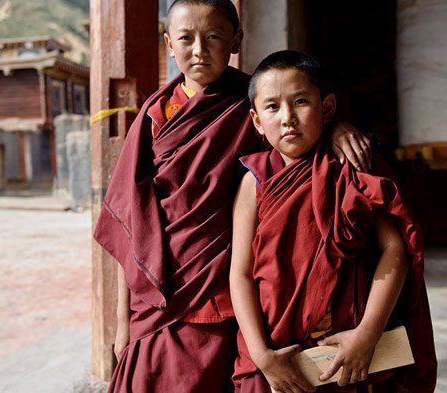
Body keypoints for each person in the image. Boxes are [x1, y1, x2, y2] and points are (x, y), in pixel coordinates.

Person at [93, 1, 373, 391]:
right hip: (160, 296)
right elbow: (130, 227)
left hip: (224, 294)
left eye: (213, 38)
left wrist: (337, 128)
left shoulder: (254, 103)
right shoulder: (154, 116)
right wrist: (123, 322)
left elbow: (297, 118)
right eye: (186, 39)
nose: (199, 50)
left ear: (236, 41)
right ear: (168, 44)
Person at [229, 50, 437, 393]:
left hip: (348, 345)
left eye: (300, 102)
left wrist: (367, 334)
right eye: (272, 107)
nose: (287, 118)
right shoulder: (255, 179)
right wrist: (261, 355)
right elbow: (240, 272)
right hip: (273, 346)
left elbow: (394, 249)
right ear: (255, 121)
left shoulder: (353, 168)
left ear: (327, 108)